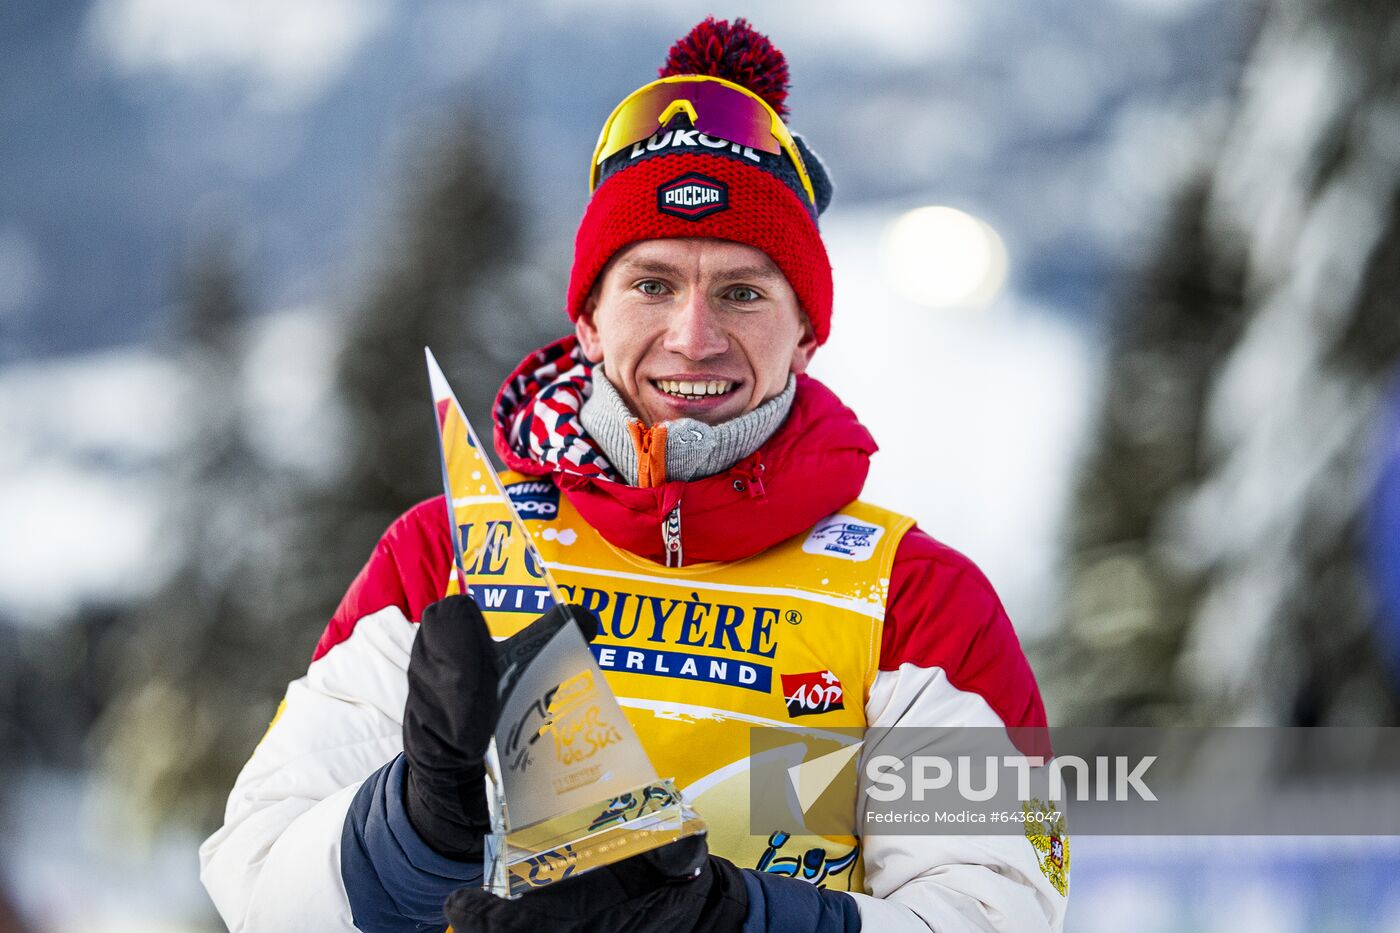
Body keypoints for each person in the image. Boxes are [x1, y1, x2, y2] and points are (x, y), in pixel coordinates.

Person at [200, 17, 1068, 933]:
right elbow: (258, 880)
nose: (693, 336)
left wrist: (731, 919)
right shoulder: (446, 552)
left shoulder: (918, 603)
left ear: (807, 332)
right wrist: (412, 826)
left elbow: (993, 912)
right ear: (588, 321)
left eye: (743, 290)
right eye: (652, 284)